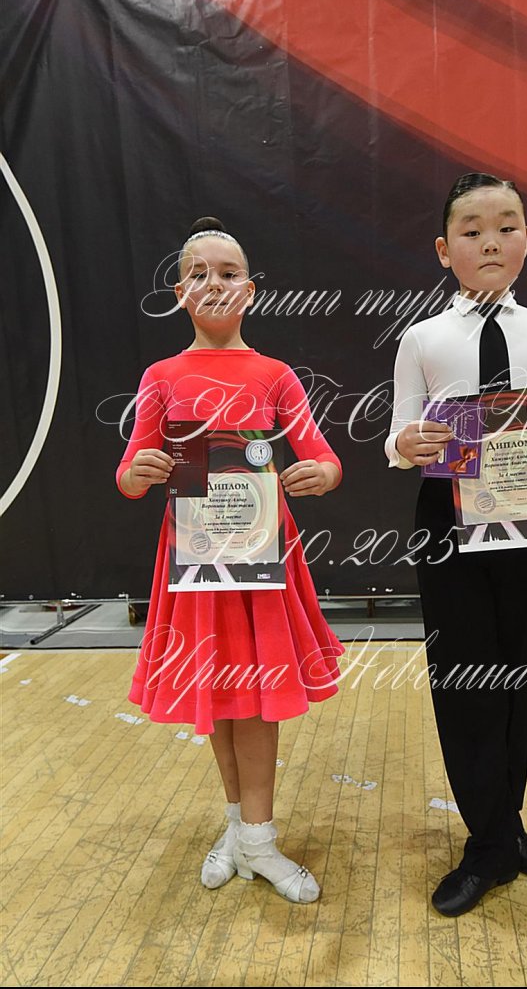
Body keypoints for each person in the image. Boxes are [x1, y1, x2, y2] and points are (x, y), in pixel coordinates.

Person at [384, 173, 527, 917]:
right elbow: (399, 434)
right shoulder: (423, 337)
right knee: (463, 677)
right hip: (447, 518)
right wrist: (406, 444)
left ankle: (503, 823)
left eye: (506, 226)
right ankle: (487, 843)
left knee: (517, 671)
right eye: (472, 229)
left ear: (526, 241)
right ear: (444, 249)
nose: (490, 241)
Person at [116, 216, 344, 904]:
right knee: (216, 690)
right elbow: (129, 472)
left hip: (263, 558)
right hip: (194, 560)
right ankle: (240, 830)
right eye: (198, 273)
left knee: (258, 696)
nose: (214, 283)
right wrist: (140, 470)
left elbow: (324, 456)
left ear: (251, 289)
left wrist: (321, 475)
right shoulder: (160, 377)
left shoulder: (276, 375)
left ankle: (259, 839)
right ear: (179, 292)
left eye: (228, 272)